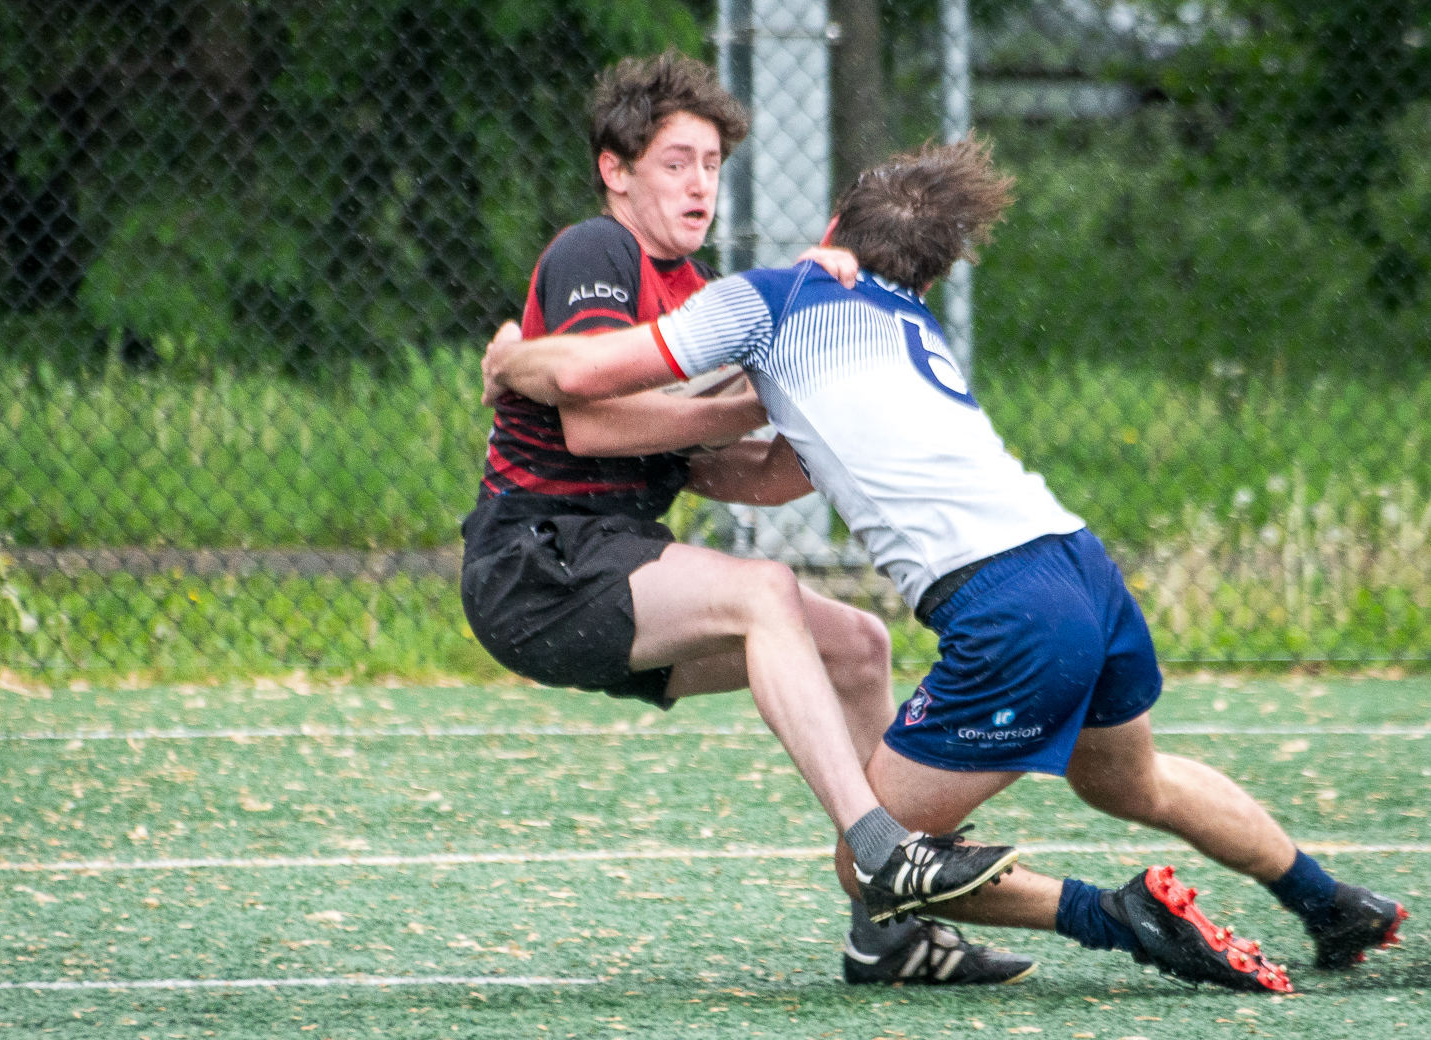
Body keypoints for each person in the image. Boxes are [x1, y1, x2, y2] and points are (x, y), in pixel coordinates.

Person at [482, 137, 1409, 991]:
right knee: (1134, 781)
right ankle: (1329, 903)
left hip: (1012, 610)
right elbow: (773, 474)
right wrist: (686, 452)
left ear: (836, 228)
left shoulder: (773, 295)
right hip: (1083, 568)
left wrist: (516, 360)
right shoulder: (909, 327)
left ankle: (1119, 916)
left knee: (874, 857)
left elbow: (580, 379)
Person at [462, 51, 1033, 985]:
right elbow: (595, 423)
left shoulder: (695, 295)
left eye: (712, 164)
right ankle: (886, 847)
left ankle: (890, 933)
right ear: (617, 170)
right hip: (536, 567)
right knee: (764, 589)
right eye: (676, 161)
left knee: (854, 645)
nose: (699, 183)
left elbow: (759, 480)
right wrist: (760, 386)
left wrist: (826, 382)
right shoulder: (596, 252)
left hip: (617, 564)